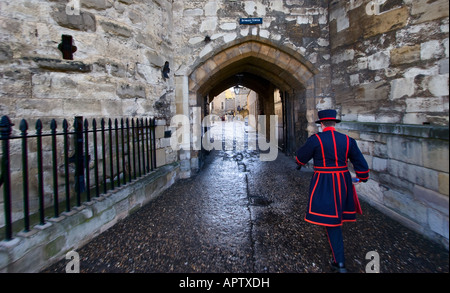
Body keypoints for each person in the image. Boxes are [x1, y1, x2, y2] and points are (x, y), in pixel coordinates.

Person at [295, 109, 369, 273]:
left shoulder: (316, 140)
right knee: (337, 217)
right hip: (343, 181)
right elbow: (361, 164)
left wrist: (300, 160)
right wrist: (361, 177)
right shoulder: (348, 140)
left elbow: (300, 158)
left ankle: (339, 263)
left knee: (332, 221)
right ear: (334, 123)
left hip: (324, 181)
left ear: (321, 124)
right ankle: (337, 256)